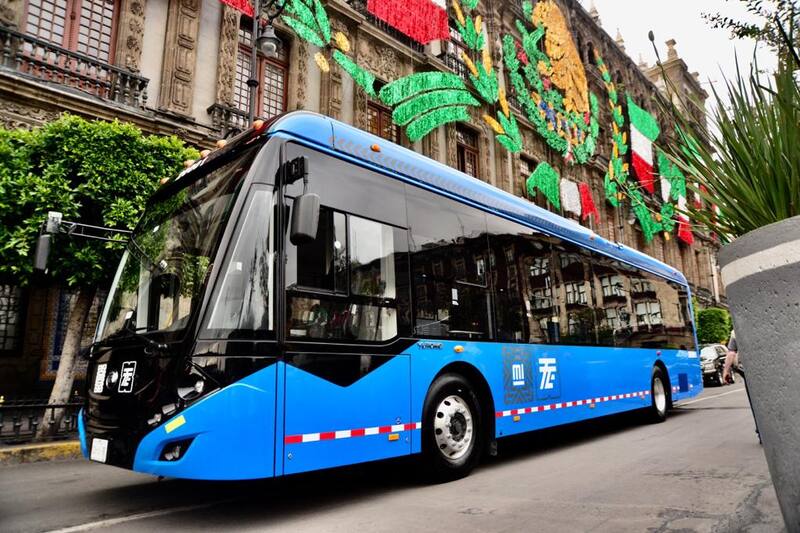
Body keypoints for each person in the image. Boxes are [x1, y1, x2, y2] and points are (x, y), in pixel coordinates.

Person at [723, 330, 761, 443]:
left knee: (755, 403)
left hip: (748, 372)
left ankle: (761, 432)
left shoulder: (736, 331)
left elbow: (731, 353)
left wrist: (726, 371)